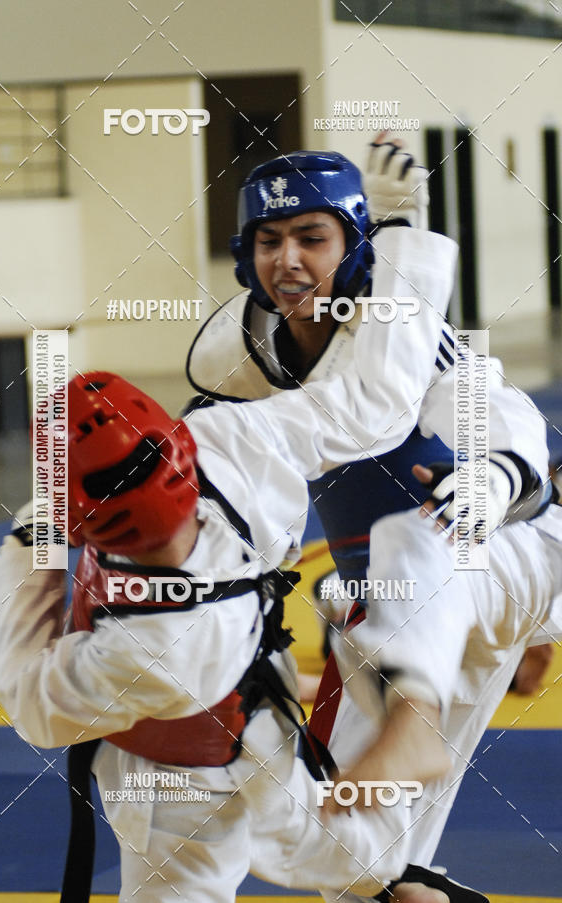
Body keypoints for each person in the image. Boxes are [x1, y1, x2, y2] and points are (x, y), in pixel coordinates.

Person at [0, 210, 460, 903]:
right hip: (228, 743)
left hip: (197, 762)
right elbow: (370, 402)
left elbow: (31, 701)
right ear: (175, 442)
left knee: (252, 840)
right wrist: (400, 241)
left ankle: (385, 880)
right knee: (299, 825)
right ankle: (389, 882)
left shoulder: (156, 639)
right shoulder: (229, 441)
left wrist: (31, 551)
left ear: (83, 524)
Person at [185, 145, 560, 898]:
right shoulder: (238, 360)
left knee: (415, 539)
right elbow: (226, 492)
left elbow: (503, 418)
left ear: (355, 247)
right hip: (397, 615)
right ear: (243, 252)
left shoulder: (410, 339)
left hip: (513, 552)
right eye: (269, 238)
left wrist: (492, 475)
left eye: (311, 237)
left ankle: (468, 679)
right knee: (359, 865)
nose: (287, 259)